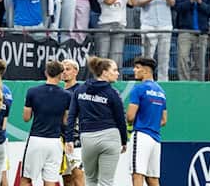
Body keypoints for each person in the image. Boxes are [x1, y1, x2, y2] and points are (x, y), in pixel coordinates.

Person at [65, 57, 127, 186]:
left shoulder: (80, 90)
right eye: (115, 70)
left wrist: (69, 139)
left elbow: (71, 116)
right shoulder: (113, 93)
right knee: (106, 182)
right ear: (104, 72)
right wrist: (124, 140)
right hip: (110, 137)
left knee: (90, 179)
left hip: (87, 138)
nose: (118, 73)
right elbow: (121, 119)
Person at [20, 60, 70, 186]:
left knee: (26, 179)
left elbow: (26, 118)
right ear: (61, 74)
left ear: (46, 73)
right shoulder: (67, 95)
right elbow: (66, 121)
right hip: (55, 142)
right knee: (50, 181)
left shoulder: (32, 92)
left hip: (36, 139)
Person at [133, 0, 177, 81]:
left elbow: (173, 2)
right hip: (148, 23)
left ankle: (164, 83)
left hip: (165, 24)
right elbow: (138, 2)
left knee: (164, 58)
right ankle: (145, 81)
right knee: (146, 58)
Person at [126, 57, 167, 186]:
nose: (134, 70)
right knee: (153, 179)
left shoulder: (139, 89)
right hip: (156, 138)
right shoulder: (161, 91)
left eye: (137, 67)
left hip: (141, 135)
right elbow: (164, 120)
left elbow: (130, 117)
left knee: (137, 174)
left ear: (145, 71)